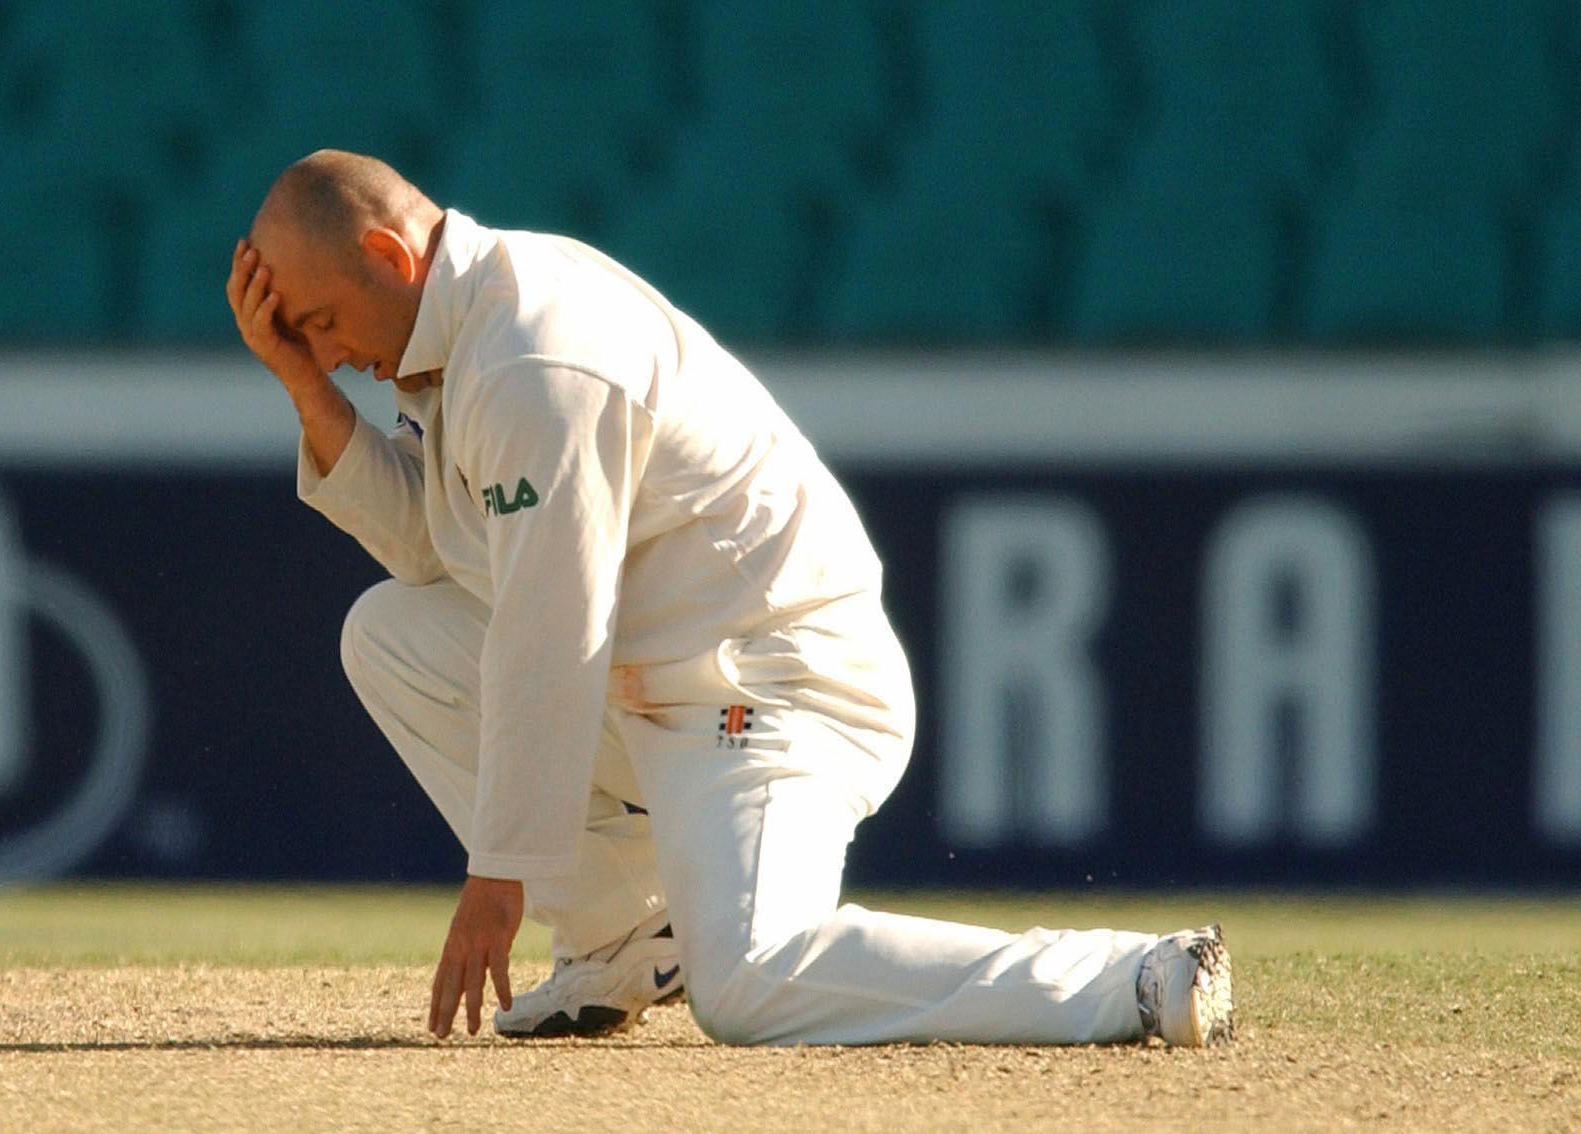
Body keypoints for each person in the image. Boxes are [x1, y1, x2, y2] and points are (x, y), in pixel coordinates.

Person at [226, 149, 1234, 1047]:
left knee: (750, 979)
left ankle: (1132, 976)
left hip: (777, 685)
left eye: (322, 323)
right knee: (393, 635)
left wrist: (499, 877)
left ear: (392, 259)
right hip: (665, 683)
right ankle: (622, 934)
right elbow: (433, 553)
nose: (330, 351)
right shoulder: (459, 333)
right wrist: (304, 387)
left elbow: (552, 623)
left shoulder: (531, 353)